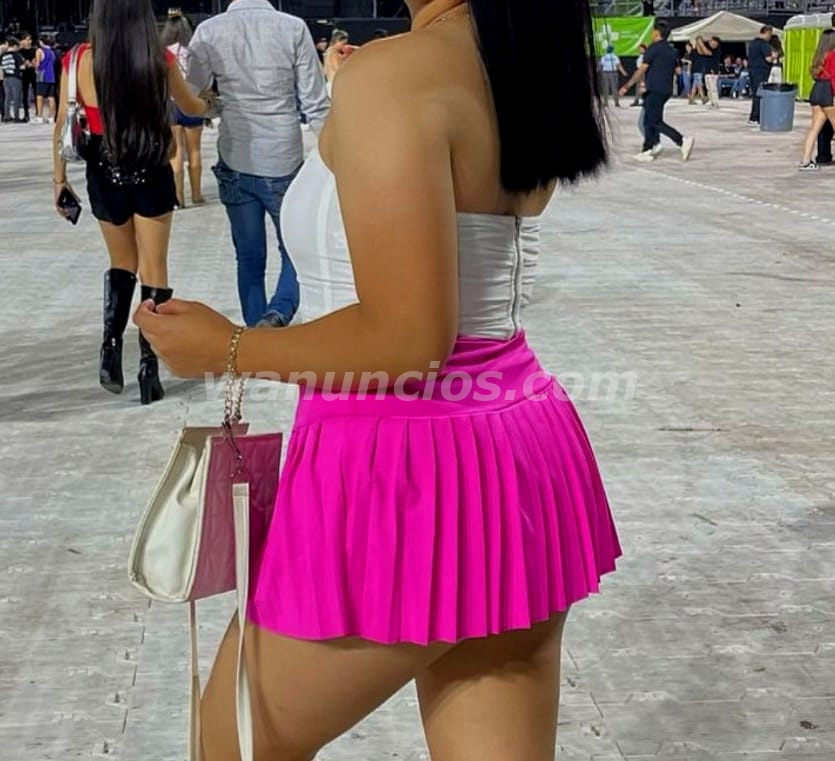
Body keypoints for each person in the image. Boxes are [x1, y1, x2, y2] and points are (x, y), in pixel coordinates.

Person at [135, 0, 621, 758]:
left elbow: (405, 339)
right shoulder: (518, 64)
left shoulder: (394, 74)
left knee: (230, 745)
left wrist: (227, 347)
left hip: (396, 466)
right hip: (519, 442)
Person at [52, 0, 213, 405]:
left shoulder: (77, 61)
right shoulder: (157, 60)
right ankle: (148, 367)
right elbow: (191, 107)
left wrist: (59, 180)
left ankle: (110, 350)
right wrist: (210, 102)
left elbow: (61, 125)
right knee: (154, 268)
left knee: (121, 263)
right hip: (151, 166)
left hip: (103, 172)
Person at [186, 0, 330, 329]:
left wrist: (218, 106)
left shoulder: (208, 31)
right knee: (296, 251)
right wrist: (338, 160)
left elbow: (190, 94)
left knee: (249, 257)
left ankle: (255, 333)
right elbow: (315, 104)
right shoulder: (293, 28)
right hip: (283, 157)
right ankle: (277, 314)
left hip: (235, 156)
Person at [621, 19, 694, 163]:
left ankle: (681, 140)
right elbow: (678, 71)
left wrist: (627, 86)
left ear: (656, 32)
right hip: (666, 89)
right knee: (649, 121)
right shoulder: (672, 50)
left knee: (653, 121)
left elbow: (642, 70)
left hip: (655, 88)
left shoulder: (653, 49)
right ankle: (649, 148)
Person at [161, 10, 205, 208]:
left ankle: (178, 197)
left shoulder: (163, 53)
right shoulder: (193, 52)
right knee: (195, 150)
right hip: (192, 103)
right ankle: (196, 194)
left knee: (176, 151)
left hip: (170, 104)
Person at [799, 30, 835, 171]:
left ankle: (805, 161)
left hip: (816, 90)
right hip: (828, 91)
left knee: (814, 129)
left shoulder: (818, 56)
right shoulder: (832, 56)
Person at [815, 14, 835, 165]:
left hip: (821, 87)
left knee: (822, 125)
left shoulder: (824, 38)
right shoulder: (832, 41)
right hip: (831, 87)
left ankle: (823, 155)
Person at [748, 25, 774, 126]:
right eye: (770, 35)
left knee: (756, 94)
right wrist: (774, 56)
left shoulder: (753, 43)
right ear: (767, 33)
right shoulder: (764, 44)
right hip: (761, 72)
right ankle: (756, 117)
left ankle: (753, 117)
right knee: (760, 94)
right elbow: (768, 59)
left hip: (753, 71)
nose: (770, 37)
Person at [34, 36, 57, 123]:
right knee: (51, 97)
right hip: (51, 76)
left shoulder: (39, 51)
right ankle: (51, 117)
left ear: (41, 42)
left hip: (42, 75)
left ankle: (39, 116)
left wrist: (35, 69)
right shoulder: (52, 52)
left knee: (39, 96)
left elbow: (38, 63)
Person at [1, 37, 23, 122]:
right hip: (15, 78)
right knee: (16, 98)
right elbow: (22, 66)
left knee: (7, 98)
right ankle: (16, 117)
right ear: (15, 46)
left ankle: (6, 116)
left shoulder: (2, 55)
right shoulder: (16, 55)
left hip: (6, 78)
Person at [18, 32, 36, 122]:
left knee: (36, 93)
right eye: (26, 39)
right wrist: (24, 63)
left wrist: (32, 63)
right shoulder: (20, 52)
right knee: (25, 94)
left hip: (33, 73)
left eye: (29, 39)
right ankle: (26, 114)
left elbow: (37, 60)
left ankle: (38, 114)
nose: (28, 41)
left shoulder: (34, 50)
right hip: (24, 74)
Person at [704, 36, 721, 109]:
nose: (710, 42)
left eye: (711, 41)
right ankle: (711, 102)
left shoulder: (716, 50)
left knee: (713, 88)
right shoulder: (709, 48)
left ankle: (715, 102)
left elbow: (707, 52)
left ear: (716, 42)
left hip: (713, 71)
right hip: (707, 71)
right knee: (708, 88)